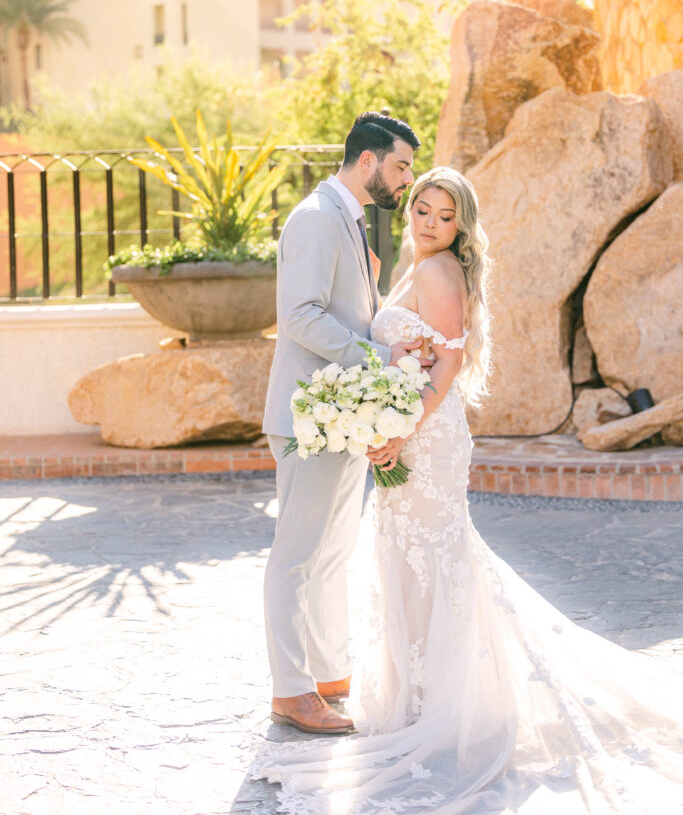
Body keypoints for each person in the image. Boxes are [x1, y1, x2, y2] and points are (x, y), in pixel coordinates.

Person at [253, 166, 683, 813]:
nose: (428, 222)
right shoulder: (415, 263)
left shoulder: (435, 272)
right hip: (407, 431)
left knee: (434, 560)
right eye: (421, 209)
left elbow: (447, 363)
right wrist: (381, 416)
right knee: (409, 559)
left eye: (443, 216)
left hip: (426, 436)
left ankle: (447, 707)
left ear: (461, 226)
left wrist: (399, 429)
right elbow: (415, 352)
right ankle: (422, 698)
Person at [261, 111, 425, 736]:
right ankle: (291, 690)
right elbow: (299, 315)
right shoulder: (314, 218)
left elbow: (351, 312)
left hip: (342, 416)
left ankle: (329, 677)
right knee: (297, 557)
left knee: (332, 554)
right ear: (368, 162)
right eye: (401, 165)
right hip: (310, 416)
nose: (407, 178)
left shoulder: (350, 218)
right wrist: (381, 359)